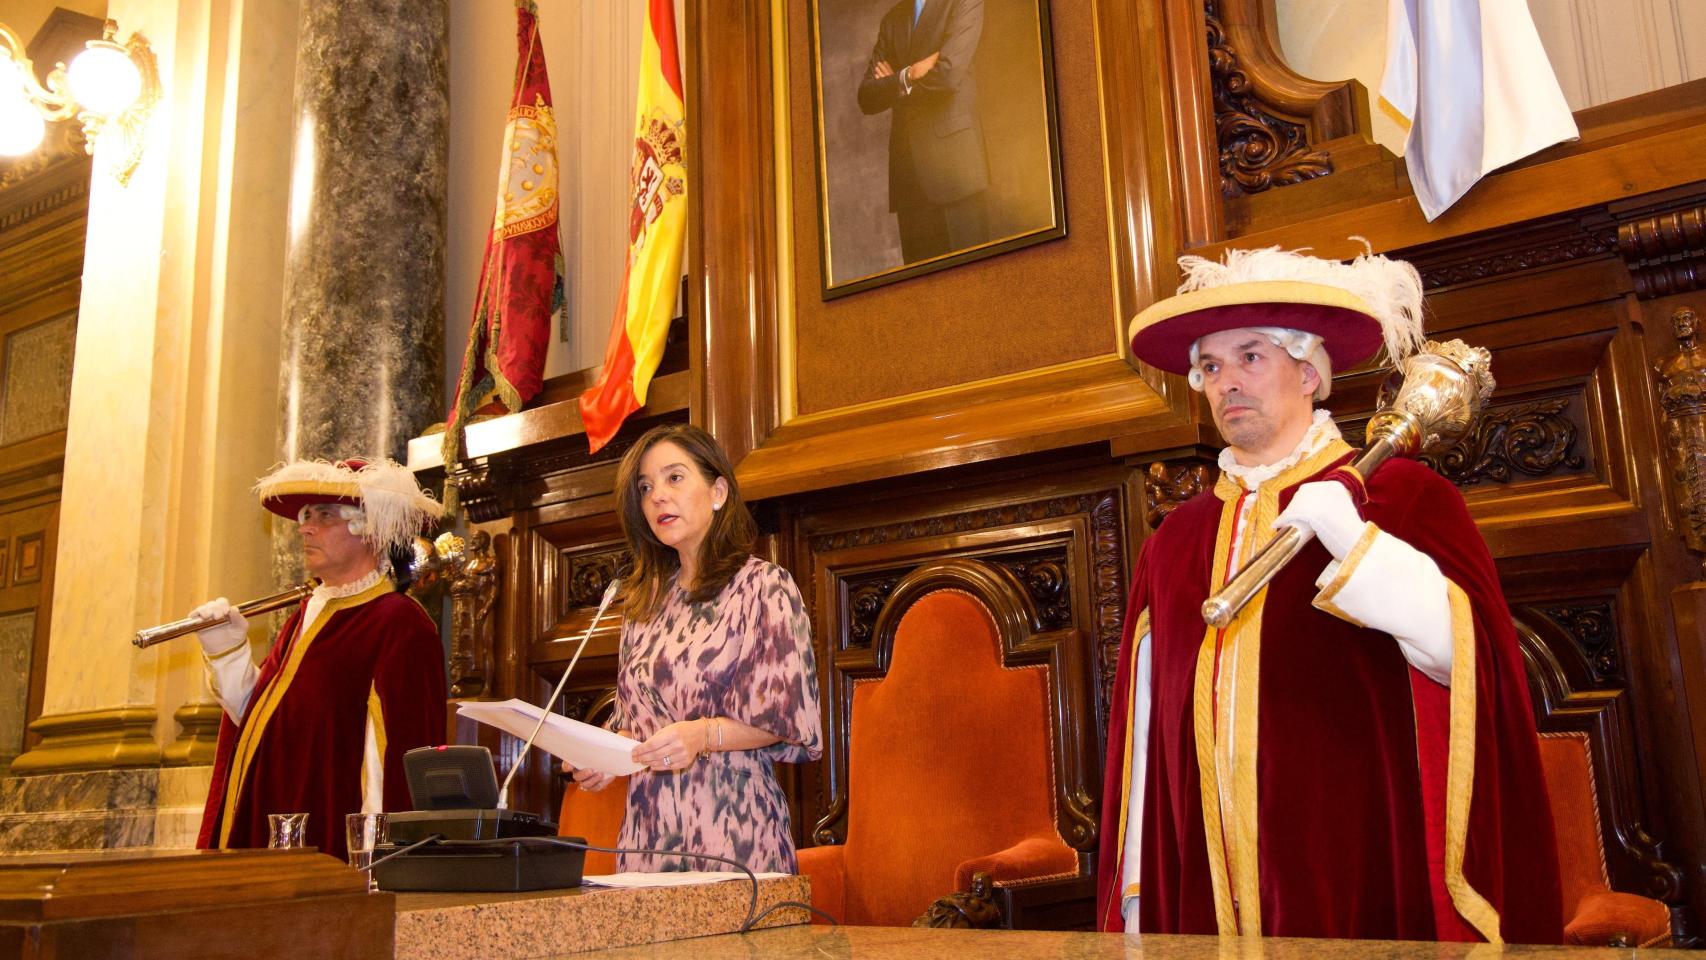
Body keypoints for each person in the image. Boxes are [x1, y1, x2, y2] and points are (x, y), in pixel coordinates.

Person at [1095, 247, 1563, 943]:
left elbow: (1468, 666)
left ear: (1309, 372)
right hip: (1203, 894)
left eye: (1250, 357)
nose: (1226, 383)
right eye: (1211, 367)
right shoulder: (1176, 539)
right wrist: (1136, 900)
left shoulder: (1403, 499)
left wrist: (1358, 544)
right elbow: (1143, 737)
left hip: (1363, 867)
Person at [564, 423, 823, 873]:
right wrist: (605, 757)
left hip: (733, 830)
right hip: (647, 836)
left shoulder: (763, 587)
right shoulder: (642, 603)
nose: (657, 496)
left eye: (674, 478)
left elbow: (786, 720)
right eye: (645, 487)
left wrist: (701, 736)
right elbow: (636, 727)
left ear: (718, 491)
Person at [194, 458, 447, 861]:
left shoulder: (398, 622)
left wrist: (374, 864)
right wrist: (226, 652)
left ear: (371, 527)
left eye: (324, 515)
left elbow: (392, 757)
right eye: (305, 516)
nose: (305, 527)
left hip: (335, 850)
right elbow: (263, 721)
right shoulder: (307, 613)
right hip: (279, 830)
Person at [856, 0, 989, 264]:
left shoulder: (964, 2)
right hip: (909, 178)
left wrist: (894, 85)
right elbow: (867, 96)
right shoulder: (892, 20)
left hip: (956, 171)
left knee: (972, 287)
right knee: (922, 296)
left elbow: (948, 76)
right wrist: (909, 75)